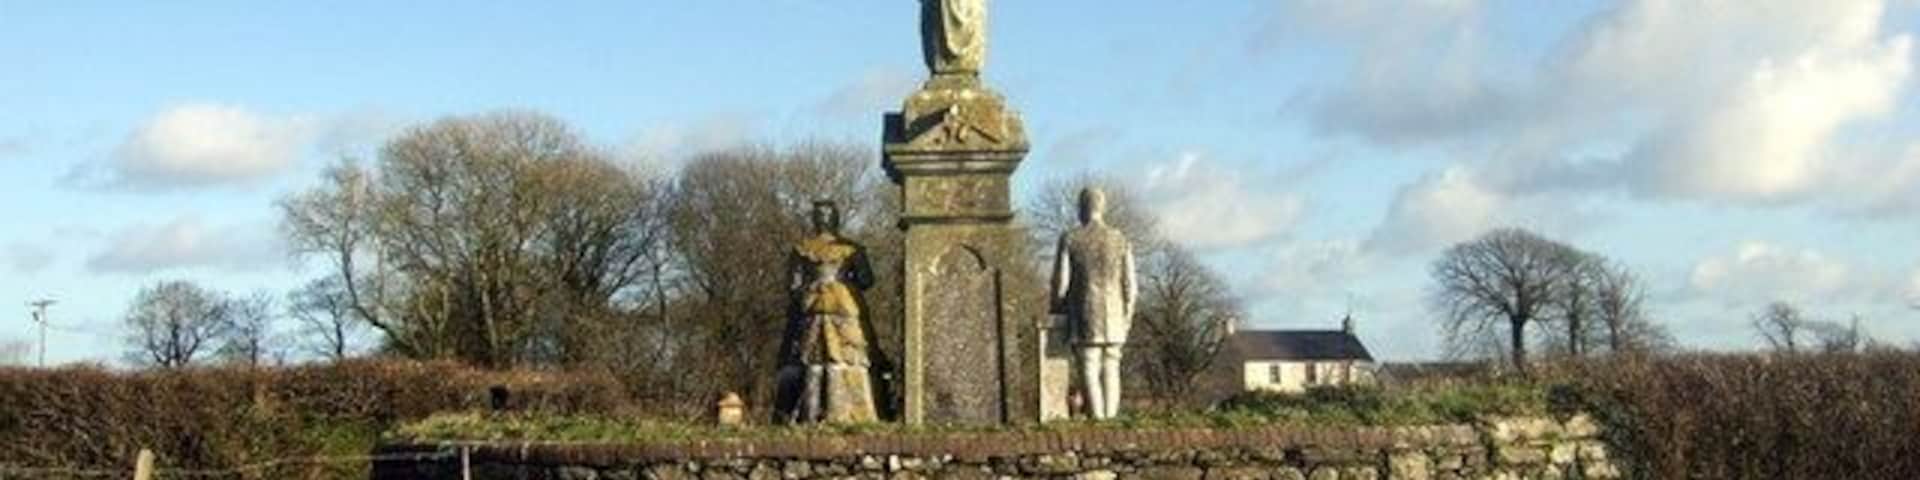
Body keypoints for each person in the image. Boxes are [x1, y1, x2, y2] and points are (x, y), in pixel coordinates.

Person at [773, 200, 880, 424]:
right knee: (843, 355)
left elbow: (793, 286)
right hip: (843, 303)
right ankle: (847, 412)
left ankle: (812, 413)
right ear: (835, 219)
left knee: (813, 357)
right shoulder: (852, 249)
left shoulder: (803, 248)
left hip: (814, 305)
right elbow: (866, 280)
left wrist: (811, 289)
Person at [1049, 187, 1137, 420]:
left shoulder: (1071, 238)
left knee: (1089, 363)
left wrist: (1057, 306)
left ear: (1081, 208)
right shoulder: (1120, 239)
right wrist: (1127, 314)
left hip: (1085, 309)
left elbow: (1061, 282)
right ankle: (1110, 418)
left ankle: (1098, 419)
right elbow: (1131, 285)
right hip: (1116, 312)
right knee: (1111, 365)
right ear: (1103, 207)